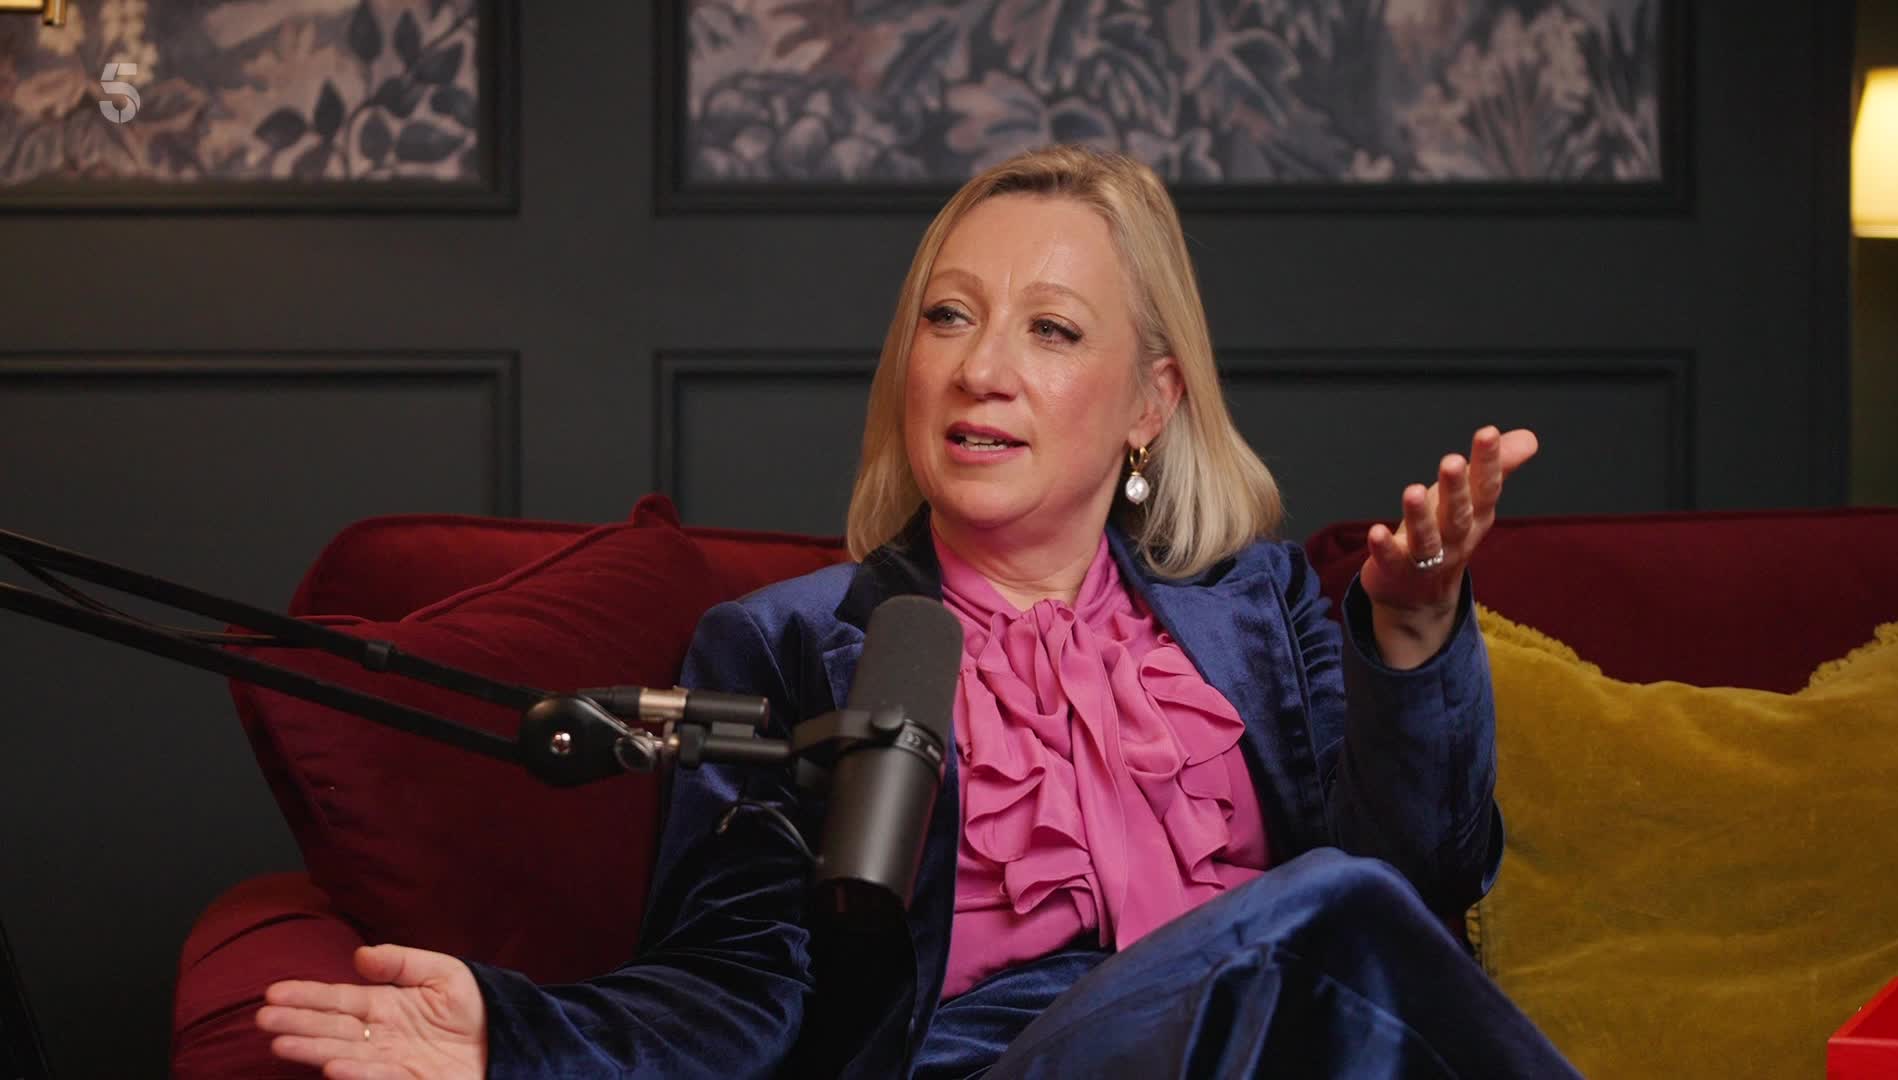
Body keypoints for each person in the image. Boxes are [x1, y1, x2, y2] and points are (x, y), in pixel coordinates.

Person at [256, 145, 1578, 1079]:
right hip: (998, 1062)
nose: (982, 367)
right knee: (1324, 917)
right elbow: (744, 984)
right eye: (950, 316)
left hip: (1281, 1038)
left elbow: (1426, 886)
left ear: (1151, 402)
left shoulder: (1262, 612)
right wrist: (519, 1040)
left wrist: (1413, 635)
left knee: (1337, 924)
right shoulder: (785, 647)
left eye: (1052, 330)